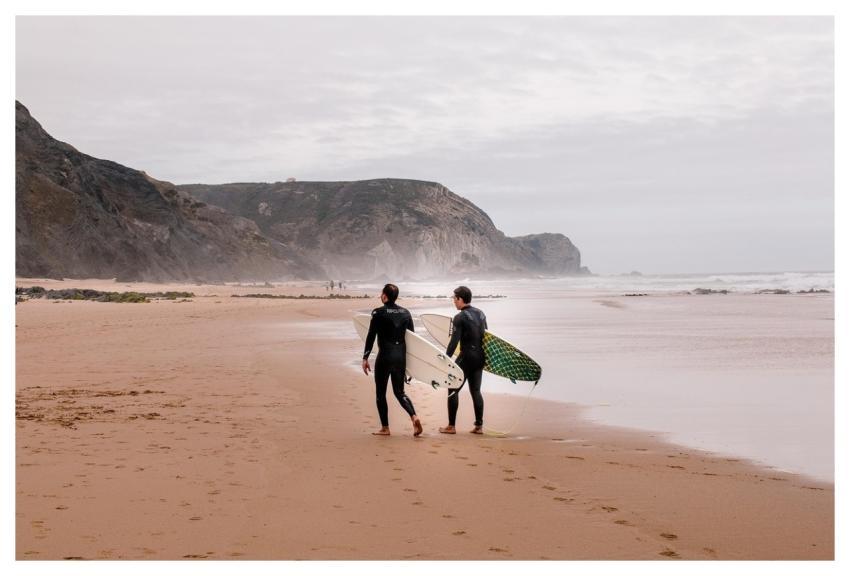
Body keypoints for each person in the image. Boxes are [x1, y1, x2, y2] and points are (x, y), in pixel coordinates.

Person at [362, 284, 423, 437]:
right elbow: (413, 340)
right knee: (400, 392)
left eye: (381, 293)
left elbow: (371, 336)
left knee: (380, 394)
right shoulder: (406, 313)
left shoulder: (378, 313)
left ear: (385, 296)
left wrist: (365, 357)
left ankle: (385, 428)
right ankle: (414, 417)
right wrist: (411, 367)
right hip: (400, 357)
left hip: (385, 357)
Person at [439, 286, 487, 435]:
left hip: (466, 357)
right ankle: (479, 426)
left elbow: (454, 342)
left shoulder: (459, 317)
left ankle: (451, 426)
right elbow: (487, 338)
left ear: (460, 299)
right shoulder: (481, 314)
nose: (453, 301)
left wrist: (446, 359)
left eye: (454, 298)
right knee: (476, 391)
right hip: (480, 357)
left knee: (453, 389)